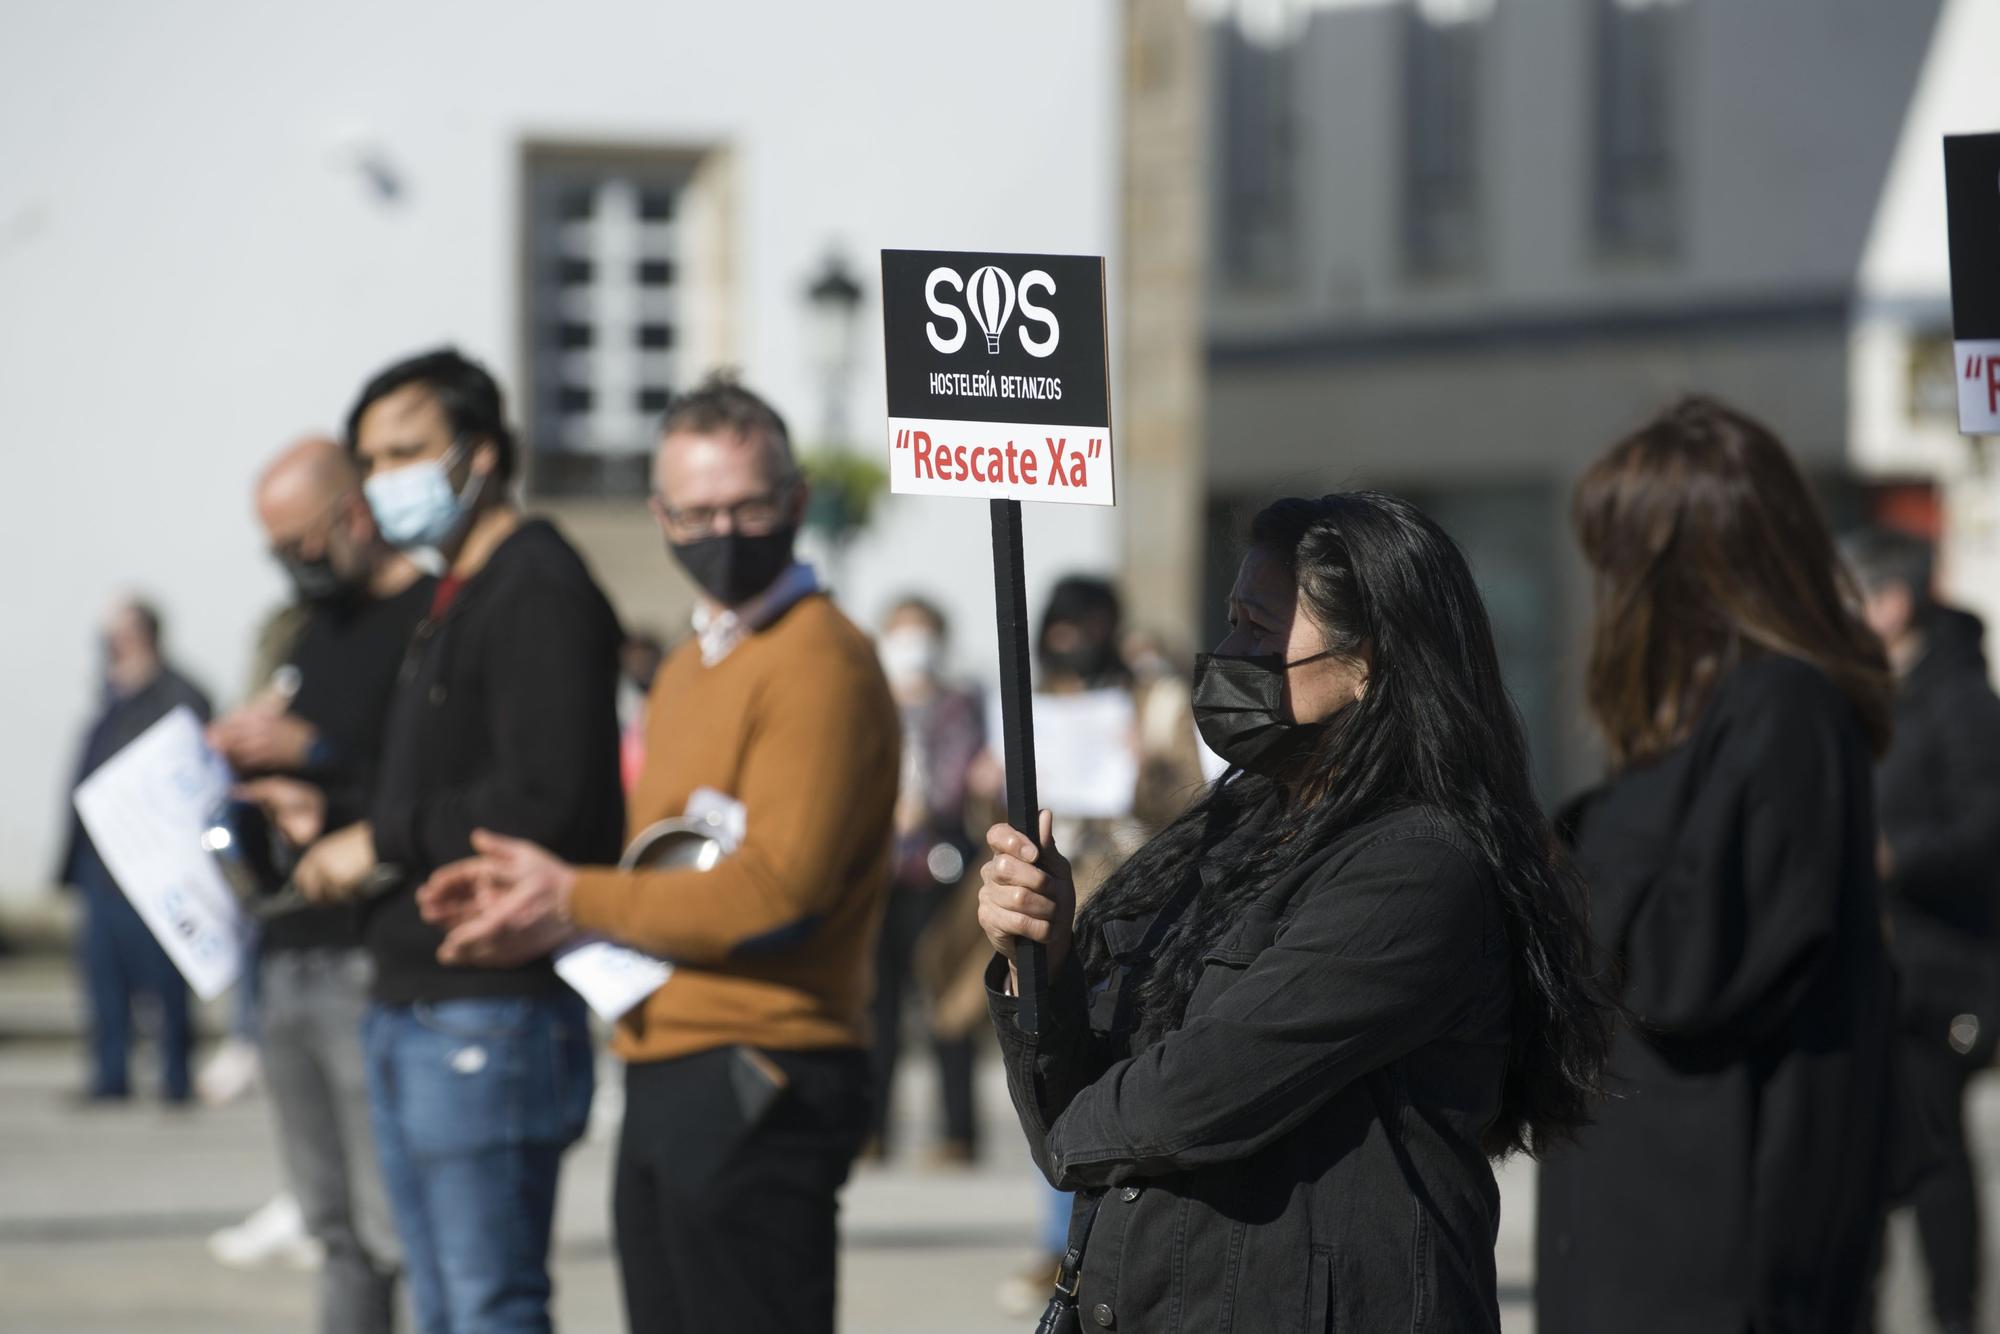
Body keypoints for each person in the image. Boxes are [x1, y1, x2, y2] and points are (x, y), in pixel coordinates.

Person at [977, 492, 1611, 1331]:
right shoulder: (1226, 836)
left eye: (1259, 628)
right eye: (1232, 621)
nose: (1229, 653)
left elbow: (1189, 1096)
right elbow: (1076, 1108)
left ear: (1367, 664)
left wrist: (1073, 1132)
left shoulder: (1418, 867)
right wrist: (1044, 958)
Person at [415, 376, 899, 1334]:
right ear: (660, 517)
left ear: (797, 503)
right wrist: (525, 898)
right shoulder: (689, 665)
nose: (723, 530)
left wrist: (574, 896)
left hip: (766, 1060)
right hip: (667, 1054)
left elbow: (776, 889)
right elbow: (652, 866)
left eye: (749, 505)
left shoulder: (819, 659)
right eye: (697, 511)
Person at [1535, 397, 1902, 1333]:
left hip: (1715, 1253)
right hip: (1664, 1233)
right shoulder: (1719, 725)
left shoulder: (1783, 711)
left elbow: (1689, 966)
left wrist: (1585, 836)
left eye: (1619, 563)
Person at [274, 349, 617, 1334]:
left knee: (485, 1304)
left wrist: (374, 835)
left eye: (408, 451)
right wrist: (332, 811)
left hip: (486, 1013)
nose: (387, 479)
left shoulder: (536, 584)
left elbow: (546, 797)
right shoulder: (454, 590)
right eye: (371, 458)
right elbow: (443, 780)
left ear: (485, 453)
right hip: (415, 1000)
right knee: (439, 1302)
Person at [211, 437, 431, 1333]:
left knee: (391, 1227)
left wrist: (318, 760)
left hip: (366, 955)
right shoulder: (301, 630)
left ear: (353, 513)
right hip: (287, 954)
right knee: (331, 1227)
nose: (292, 564)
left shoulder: (425, 620)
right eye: (275, 550)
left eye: (300, 541)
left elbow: (431, 788)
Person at [1848, 526, 2000, 1334]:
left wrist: (1894, 857)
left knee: (1937, 1157)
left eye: (1856, 597)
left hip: (1939, 972)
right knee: (1865, 1159)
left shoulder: (1961, 699)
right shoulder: (1872, 692)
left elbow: (1986, 825)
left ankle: (1954, 1314)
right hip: (1880, 965)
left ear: (1894, 602)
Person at [57, 598, 211, 1104]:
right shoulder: (110, 697)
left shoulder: (176, 693)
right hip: (101, 863)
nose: (111, 647)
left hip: (152, 861)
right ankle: (110, 1075)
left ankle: (175, 1077)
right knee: (103, 977)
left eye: (120, 635)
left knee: (164, 976)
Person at [868, 595, 984, 1164]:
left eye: (922, 631)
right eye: (901, 630)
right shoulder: (866, 700)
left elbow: (963, 775)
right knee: (877, 1005)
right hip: (878, 872)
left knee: (944, 996)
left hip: (940, 868)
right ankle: (873, 1129)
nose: (911, 642)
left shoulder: (958, 704)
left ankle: (957, 1131)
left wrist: (926, 802)